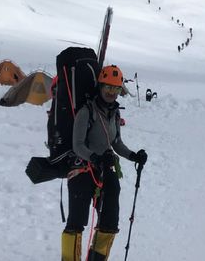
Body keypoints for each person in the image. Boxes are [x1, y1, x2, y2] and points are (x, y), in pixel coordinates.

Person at [61, 65, 148, 261]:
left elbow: (116, 142)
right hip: (82, 169)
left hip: (105, 168)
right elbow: (78, 145)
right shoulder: (86, 112)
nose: (111, 93)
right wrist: (95, 158)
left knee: (109, 221)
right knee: (76, 223)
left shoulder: (114, 113)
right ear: (100, 86)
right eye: (108, 87)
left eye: (116, 89)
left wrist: (133, 156)